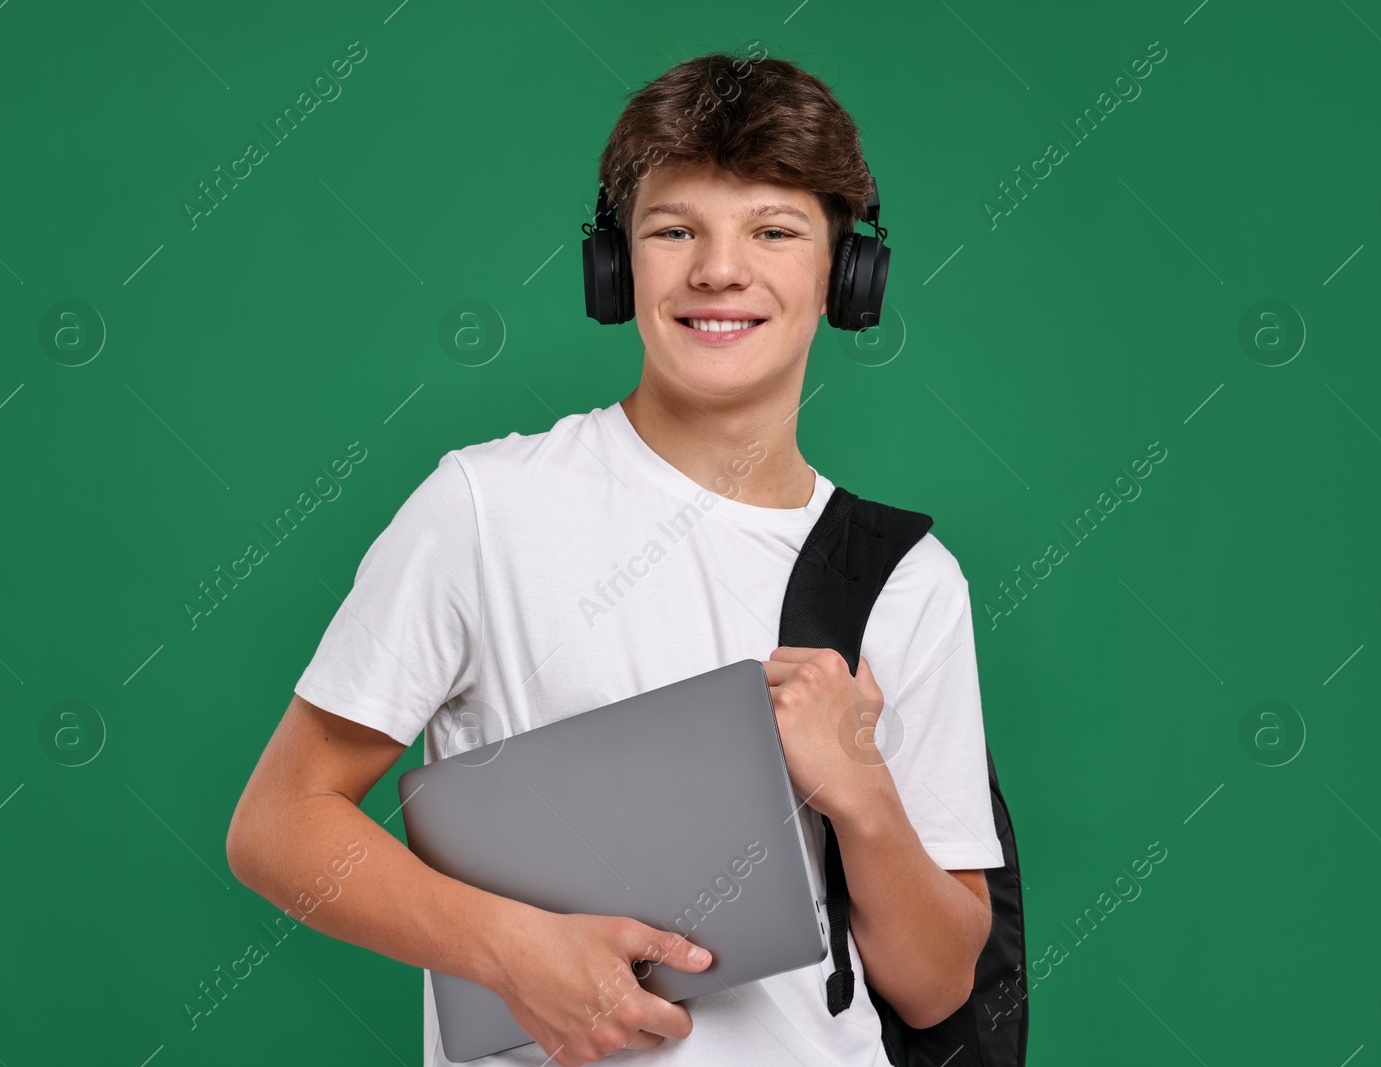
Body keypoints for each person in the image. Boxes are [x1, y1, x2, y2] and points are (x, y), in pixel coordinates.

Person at [226, 50, 1004, 1067]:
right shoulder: (483, 506)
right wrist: (509, 951)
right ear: (616, 266)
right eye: (675, 229)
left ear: (844, 277)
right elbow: (278, 823)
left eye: (773, 231)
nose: (719, 269)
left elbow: (939, 980)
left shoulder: (907, 578)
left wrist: (858, 789)